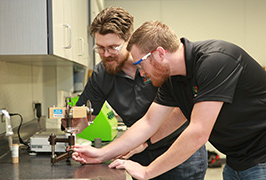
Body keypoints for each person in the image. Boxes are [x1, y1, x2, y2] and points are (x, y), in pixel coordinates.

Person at [72, 20, 266, 180]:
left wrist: (147, 171)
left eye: (140, 63)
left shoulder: (216, 61)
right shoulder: (172, 79)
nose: (141, 72)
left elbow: (198, 132)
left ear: (159, 53)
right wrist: (102, 154)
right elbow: (149, 122)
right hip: (236, 160)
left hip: (261, 159)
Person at [67, 7, 207, 180]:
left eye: (113, 47)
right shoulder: (101, 75)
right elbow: (84, 117)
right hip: (137, 154)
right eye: (101, 48)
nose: (106, 54)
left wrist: (144, 142)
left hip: (178, 153)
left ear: (129, 41)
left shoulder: (160, 65)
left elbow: (182, 113)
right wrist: (71, 125)